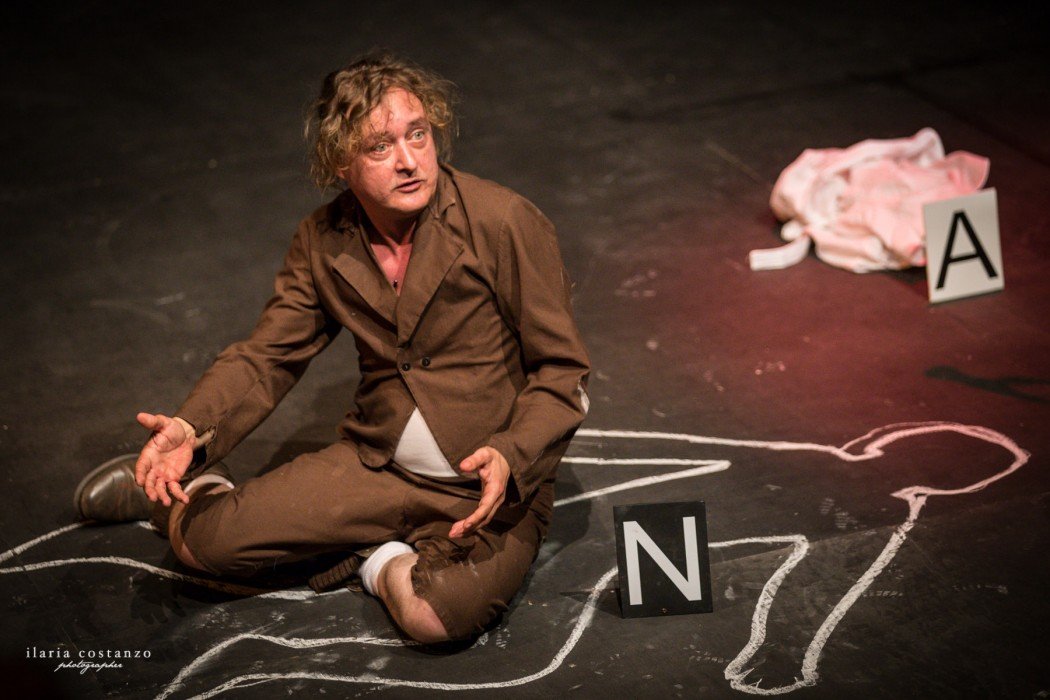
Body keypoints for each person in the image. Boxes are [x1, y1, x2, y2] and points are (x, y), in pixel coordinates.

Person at [74, 53, 590, 644]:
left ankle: (377, 560)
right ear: (341, 162)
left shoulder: (502, 221)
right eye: (380, 147)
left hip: (483, 490)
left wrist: (511, 453)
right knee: (198, 546)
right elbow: (269, 354)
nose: (408, 160)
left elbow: (563, 370)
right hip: (378, 465)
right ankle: (180, 491)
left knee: (436, 617)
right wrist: (192, 429)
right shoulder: (323, 240)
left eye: (417, 134)